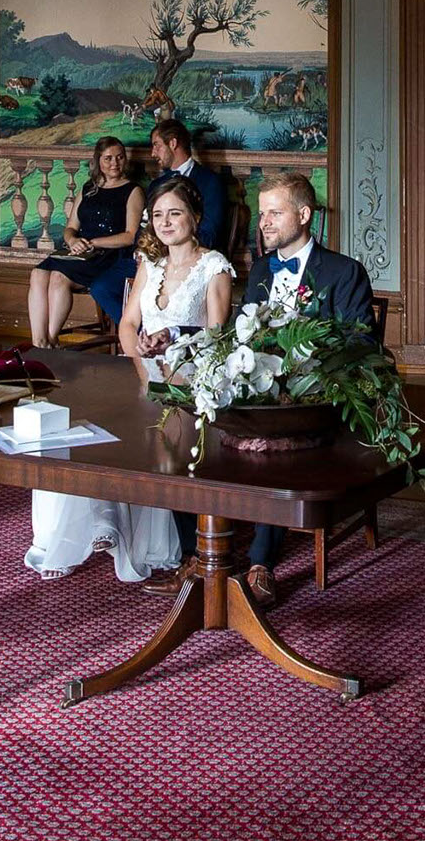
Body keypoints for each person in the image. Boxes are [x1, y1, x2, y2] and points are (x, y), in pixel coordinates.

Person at [165, 171, 377, 606]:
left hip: (313, 399)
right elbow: (240, 336)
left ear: (304, 214)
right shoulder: (261, 269)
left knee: (274, 441)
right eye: (262, 214)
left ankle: (261, 562)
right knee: (190, 434)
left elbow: (363, 344)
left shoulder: (343, 272)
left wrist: (307, 360)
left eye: (274, 213)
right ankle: (197, 553)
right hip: (254, 390)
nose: (264, 223)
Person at [24, 177, 221, 584]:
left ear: (195, 218)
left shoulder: (214, 266)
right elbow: (129, 324)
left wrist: (171, 349)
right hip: (144, 372)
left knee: (158, 434)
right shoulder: (151, 265)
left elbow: (218, 335)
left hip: (191, 380)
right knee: (83, 423)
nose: (166, 223)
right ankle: (100, 524)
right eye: (159, 216)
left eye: (176, 214)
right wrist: (140, 356)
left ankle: (183, 541)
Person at [101, 119, 233, 322]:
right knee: (102, 287)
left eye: (156, 145)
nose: (153, 153)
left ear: (172, 143)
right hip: (150, 258)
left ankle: (162, 332)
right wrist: (142, 251)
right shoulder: (157, 184)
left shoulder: (209, 181)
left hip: (190, 257)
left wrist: (171, 252)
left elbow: (211, 232)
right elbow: (145, 227)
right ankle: (144, 332)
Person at [27, 136, 143, 346]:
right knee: (38, 273)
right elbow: (70, 227)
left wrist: (94, 243)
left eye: (119, 157)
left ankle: (50, 341)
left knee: (58, 279)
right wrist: (72, 241)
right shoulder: (88, 188)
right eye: (108, 158)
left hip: (106, 255)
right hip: (79, 250)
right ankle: (38, 341)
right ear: (98, 160)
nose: (114, 163)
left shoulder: (132, 191)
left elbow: (131, 235)